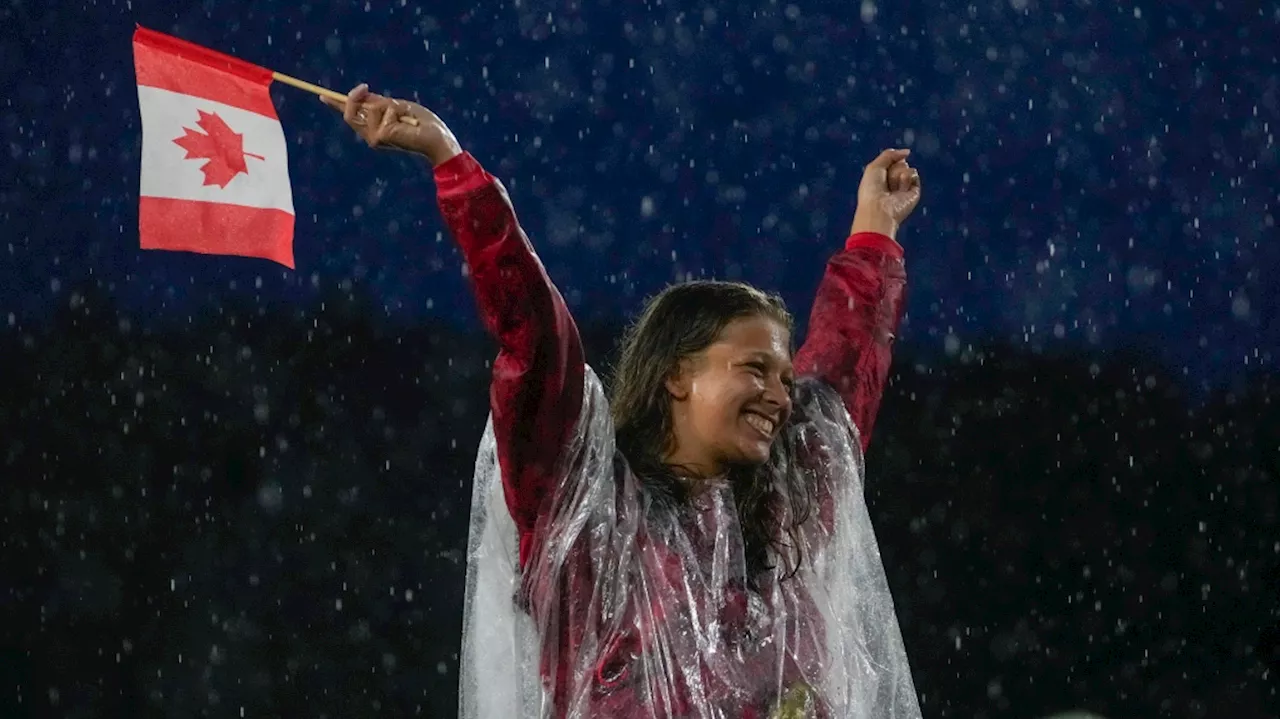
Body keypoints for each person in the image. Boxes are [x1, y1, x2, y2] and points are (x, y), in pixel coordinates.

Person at [324, 83, 924, 719]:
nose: (781, 396)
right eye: (754, 369)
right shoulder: (588, 515)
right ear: (675, 376)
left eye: (783, 376)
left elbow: (844, 370)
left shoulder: (785, 513)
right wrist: (454, 167)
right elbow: (535, 338)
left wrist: (875, 230)